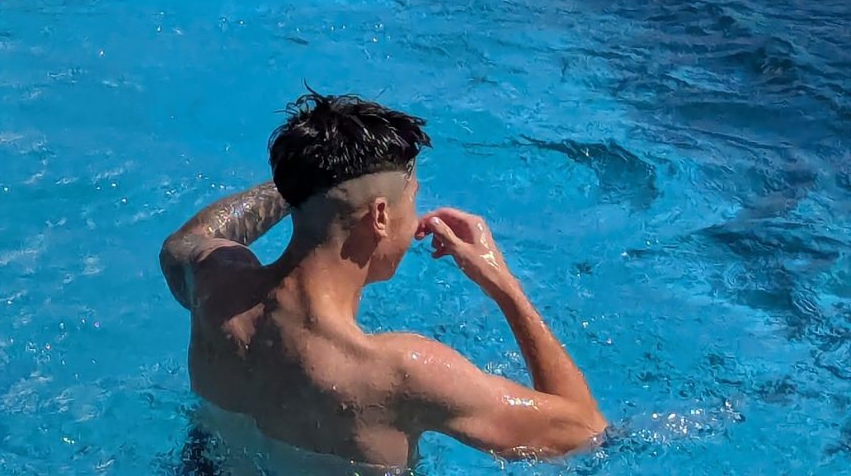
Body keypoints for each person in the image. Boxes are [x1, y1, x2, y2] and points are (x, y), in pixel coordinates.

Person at [160, 91, 605, 472]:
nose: (416, 223)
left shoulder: (214, 287)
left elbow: (185, 241)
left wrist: (302, 184)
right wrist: (502, 283)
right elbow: (585, 432)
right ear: (379, 215)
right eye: (412, 202)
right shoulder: (401, 373)